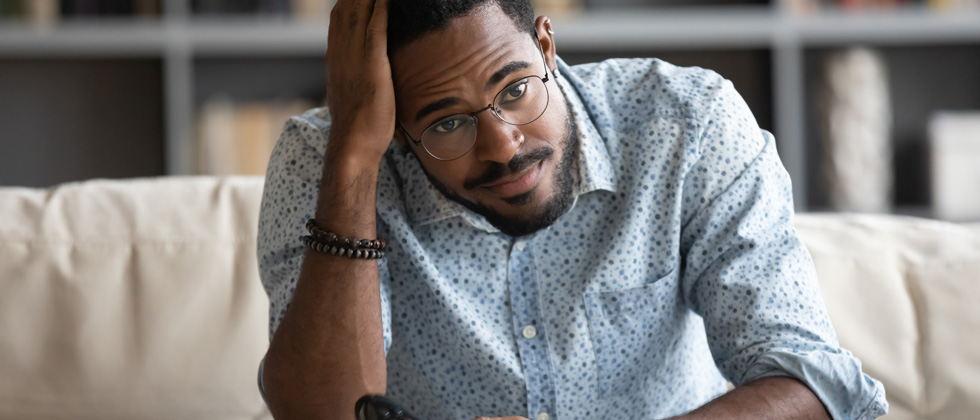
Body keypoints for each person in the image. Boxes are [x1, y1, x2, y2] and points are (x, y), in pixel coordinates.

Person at [256, 0, 888, 418]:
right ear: (396, 128)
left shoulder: (687, 126)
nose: (503, 143)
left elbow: (813, 383)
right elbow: (323, 414)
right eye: (447, 123)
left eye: (516, 87)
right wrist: (353, 159)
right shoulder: (329, 160)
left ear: (546, 45)